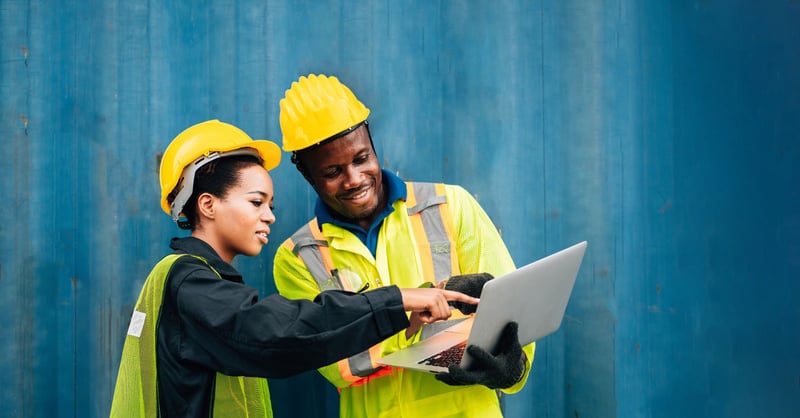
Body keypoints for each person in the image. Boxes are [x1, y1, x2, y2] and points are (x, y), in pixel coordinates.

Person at [109, 119, 478, 417]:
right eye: (256, 202)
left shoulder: (192, 281)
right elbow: (279, 333)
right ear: (207, 205)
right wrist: (398, 300)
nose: (269, 216)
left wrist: (396, 313)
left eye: (270, 204)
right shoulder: (190, 283)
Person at [272, 74, 535, 418]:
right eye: (333, 171)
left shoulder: (450, 206)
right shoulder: (299, 257)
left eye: (361, 158)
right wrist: (407, 315)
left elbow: (514, 314)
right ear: (308, 176)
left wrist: (513, 370)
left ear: (372, 145)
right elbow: (336, 362)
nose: (354, 179)